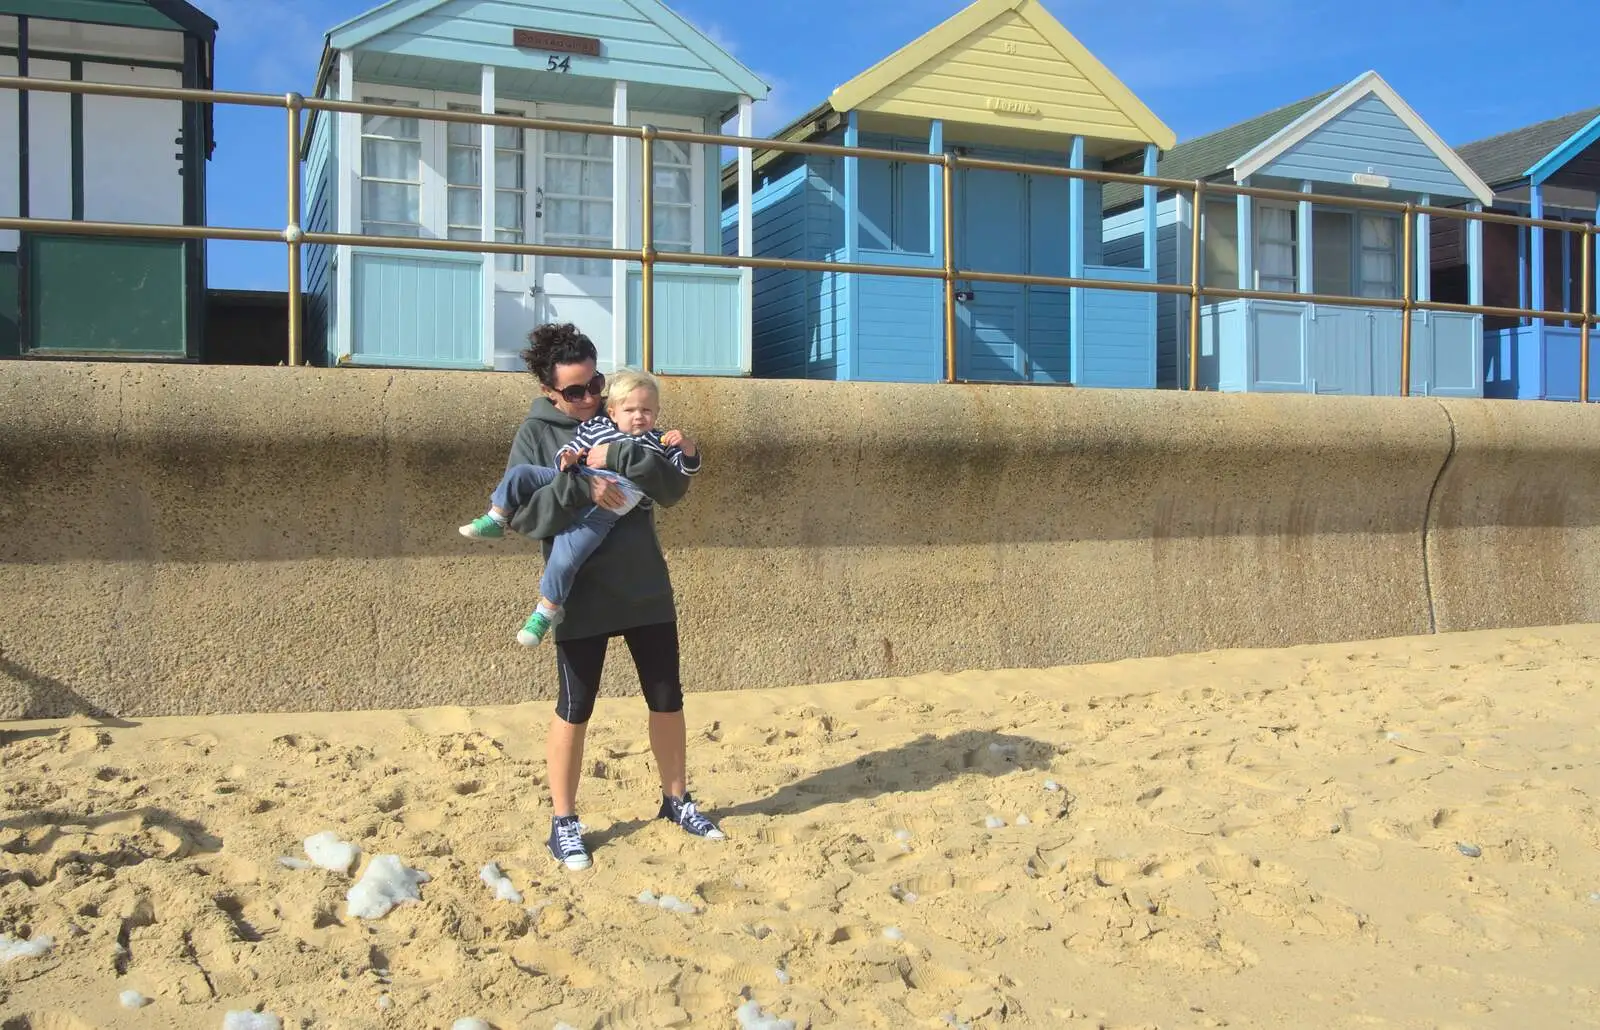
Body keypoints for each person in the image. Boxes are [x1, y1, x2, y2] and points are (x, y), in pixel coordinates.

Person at [498, 323, 723, 871]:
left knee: (667, 698)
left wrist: (628, 460)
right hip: (581, 593)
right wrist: (581, 486)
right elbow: (526, 517)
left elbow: (672, 490)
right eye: (575, 391)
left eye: (594, 383)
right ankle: (564, 822)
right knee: (575, 708)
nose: (590, 398)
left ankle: (676, 800)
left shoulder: (627, 414)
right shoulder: (536, 434)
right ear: (551, 392)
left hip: (645, 584)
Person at [459, 367, 701, 648]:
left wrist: (687, 447)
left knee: (565, 556)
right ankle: (495, 517)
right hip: (576, 477)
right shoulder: (594, 429)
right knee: (521, 473)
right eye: (631, 410)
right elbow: (571, 450)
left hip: (610, 506)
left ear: (657, 413)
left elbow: (682, 475)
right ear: (612, 412)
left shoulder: (656, 441)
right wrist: (568, 460)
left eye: (647, 410)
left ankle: (544, 612)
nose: (639, 416)